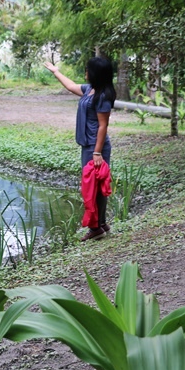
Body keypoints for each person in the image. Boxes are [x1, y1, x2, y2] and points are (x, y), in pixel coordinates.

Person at [44, 57, 117, 241]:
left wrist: (97, 152)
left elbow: (103, 125)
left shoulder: (103, 96)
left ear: (96, 74)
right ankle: (101, 222)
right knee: (94, 186)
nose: (85, 72)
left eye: (88, 70)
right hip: (89, 146)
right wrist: (56, 71)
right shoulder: (90, 90)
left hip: (95, 148)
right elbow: (71, 87)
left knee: (92, 187)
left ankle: (96, 228)